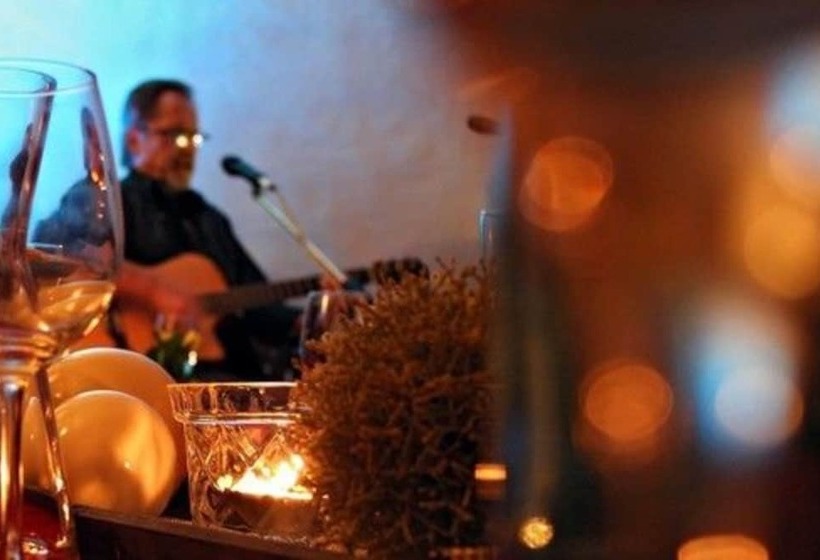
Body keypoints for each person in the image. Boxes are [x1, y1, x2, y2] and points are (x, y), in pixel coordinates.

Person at [114, 79, 303, 380]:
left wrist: (312, 315)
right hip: (139, 375)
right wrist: (155, 292)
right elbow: (71, 264)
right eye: (174, 135)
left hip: (229, 377)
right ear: (134, 140)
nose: (187, 149)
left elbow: (260, 308)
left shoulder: (210, 219)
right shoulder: (109, 202)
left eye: (193, 137)